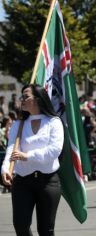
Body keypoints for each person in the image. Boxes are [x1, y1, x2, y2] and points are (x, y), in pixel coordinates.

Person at [1, 84, 64, 235]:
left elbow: (54, 150)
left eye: (26, 96)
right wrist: (4, 169)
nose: (22, 99)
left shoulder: (54, 122)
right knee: (21, 226)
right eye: (21, 96)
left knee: (46, 230)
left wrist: (27, 156)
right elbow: (11, 149)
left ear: (38, 99)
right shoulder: (19, 123)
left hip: (48, 181)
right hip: (22, 181)